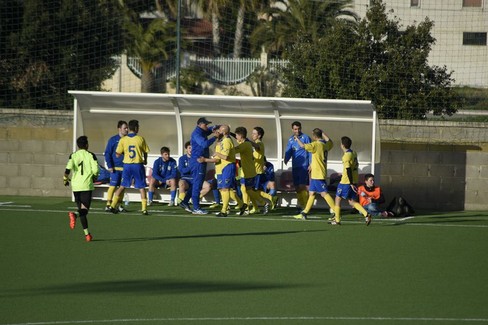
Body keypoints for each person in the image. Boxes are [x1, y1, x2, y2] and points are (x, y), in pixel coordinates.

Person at [109, 119, 150, 215]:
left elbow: (117, 154)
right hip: (137, 165)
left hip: (127, 166)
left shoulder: (123, 139)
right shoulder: (140, 139)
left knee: (122, 186)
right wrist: (145, 160)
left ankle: (112, 205)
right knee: (141, 187)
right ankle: (144, 209)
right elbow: (145, 151)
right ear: (135, 128)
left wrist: (125, 152)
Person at [293, 128, 336, 220]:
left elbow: (303, 146)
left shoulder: (315, 144)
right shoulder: (325, 144)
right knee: (311, 193)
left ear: (314, 136)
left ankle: (336, 211)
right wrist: (323, 133)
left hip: (318, 173)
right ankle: (304, 213)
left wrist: (297, 139)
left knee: (324, 193)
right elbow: (330, 141)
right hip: (317, 172)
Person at [179, 117, 218, 215]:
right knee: (197, 185)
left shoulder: (202, 130)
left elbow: (208, 130)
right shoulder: (197, 134)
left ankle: (184, 202)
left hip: (199, 162)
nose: (207, 126)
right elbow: (204, 144)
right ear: (200, 124)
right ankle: (196, 207)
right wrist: (215, 137)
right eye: (205, 124)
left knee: (196, 184)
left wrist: (216, 127)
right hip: (198, 162)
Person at [64, 136, 99, 242]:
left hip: (75, 186)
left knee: (81, 210)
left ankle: (87, 235)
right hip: (86, 185)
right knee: (84, 210)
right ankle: (74, 215)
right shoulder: (91, 155)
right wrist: (94, 177)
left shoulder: (73, 155)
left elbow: (67, 169)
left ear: (78, 145)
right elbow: (96, 170)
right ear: (87, 145)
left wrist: (65, 179)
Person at [198, 125, 238, 217]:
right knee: (223, 189)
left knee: (226, 188)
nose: (217, 132)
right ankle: (230, 207)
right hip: (221, 168)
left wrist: (215, 154)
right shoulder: (221, 141)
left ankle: (224, 210)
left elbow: (225, 157)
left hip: (227, 166)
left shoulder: (227, 141)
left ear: (223, 132)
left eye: (219, 130)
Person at [332, 136, 372, 226]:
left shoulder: (346, 156)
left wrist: (350, 183)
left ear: (342, 145)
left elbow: (348, 169)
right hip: (354, 180)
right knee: (351, 201)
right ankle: (366, 214)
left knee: (337, 199)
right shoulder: (354, 153)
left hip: (346, 182)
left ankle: (337, 220)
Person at [177, 141, 219, 210]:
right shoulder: (182, 159)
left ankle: (194, 199)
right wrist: (191, 168)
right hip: (186, 178)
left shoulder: (197, 158)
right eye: (189, 148)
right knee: (181, 183)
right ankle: (181, 201)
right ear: (186, 149)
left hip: (196, 178)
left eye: (192, 148)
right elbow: (182, 171)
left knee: (208, 186)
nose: (191, 150)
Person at [234, 126, 262, 215]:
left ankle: (263, 203)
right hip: (246, 171)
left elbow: (233, 150)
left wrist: (221, 151)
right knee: (245, 189)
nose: (252, 135)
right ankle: (249, 208)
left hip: (250, 171)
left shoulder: (248, 144)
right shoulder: (246, 143)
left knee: (248, 190)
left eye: (254, 133)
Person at [284, 121, 311, 211]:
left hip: (304, 166)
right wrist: (286, 158)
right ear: (292, 129)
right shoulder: (291, 139)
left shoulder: (306, 138)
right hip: (295, 166)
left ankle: (306, 207)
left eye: (299, 128)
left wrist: (311, 164)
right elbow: (289, 150)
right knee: (297, 187)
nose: (297, 130)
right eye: (295, 129)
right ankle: (301, 205)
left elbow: (310, 151)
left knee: (302, 186)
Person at [103, 120, 128, 212]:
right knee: (113, 185)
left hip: (125, 168)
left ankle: (119, 204)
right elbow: (107, 153)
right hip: (115, 168)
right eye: (125, 128)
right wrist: (110, 165)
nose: (126, 130)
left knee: (122, 187)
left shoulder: (128, 139)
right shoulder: (113, 140)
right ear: (119, 129)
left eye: (127, 128)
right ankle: (108, 204)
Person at [251, 126, 276, 213]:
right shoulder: (254, 144)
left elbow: (257, 146)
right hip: (253, 171)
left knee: (253, 191)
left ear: (259, 135)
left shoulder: (259, 143)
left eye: (254, 133)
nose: (252, 135)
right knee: (250, 190)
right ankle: (256, 207)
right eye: (252, 133)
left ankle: (269, 199)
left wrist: (247, 141)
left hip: (257, 172)